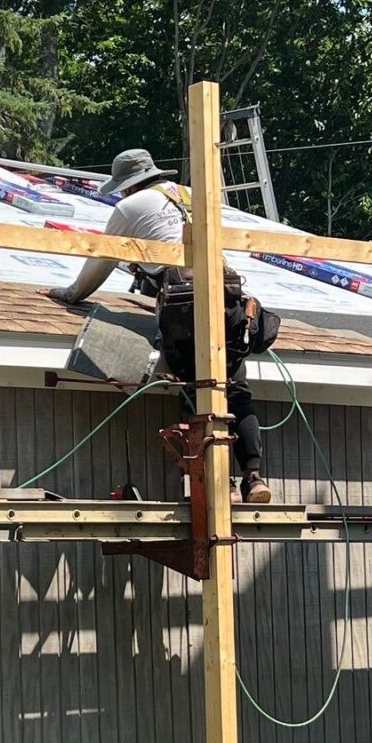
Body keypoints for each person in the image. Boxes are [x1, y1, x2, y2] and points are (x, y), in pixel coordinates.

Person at [49, 148, 279, 504]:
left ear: (127, 186)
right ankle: (253, 479)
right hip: (230, 300)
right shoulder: (189, 194)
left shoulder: (130, 207)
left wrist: (71, 294)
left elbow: (102, 261)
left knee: (195, 387)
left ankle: (222, 487)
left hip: (186, 305)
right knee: (236, 389)